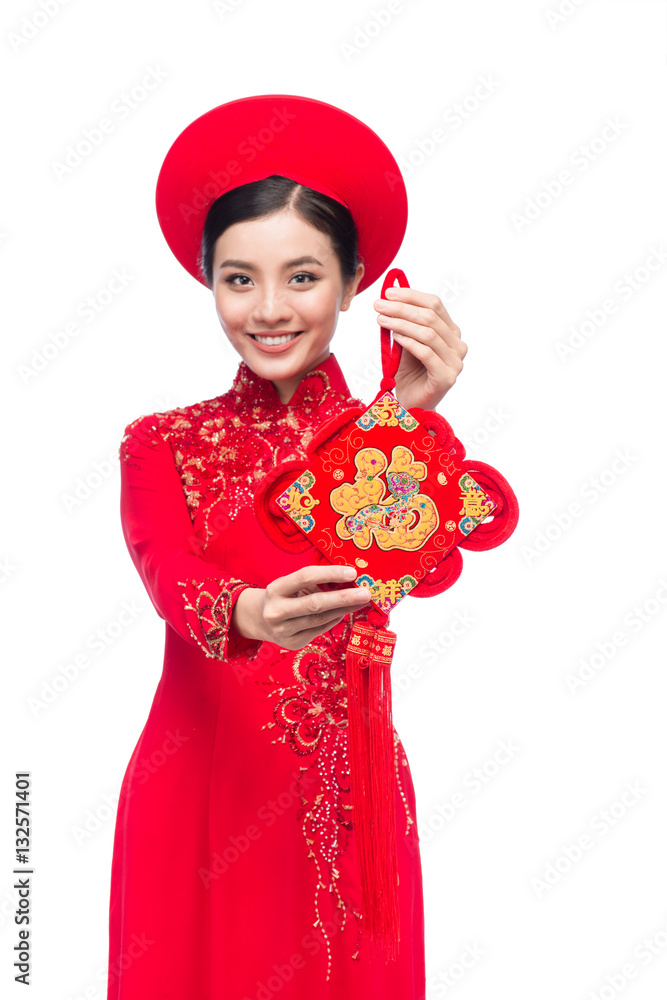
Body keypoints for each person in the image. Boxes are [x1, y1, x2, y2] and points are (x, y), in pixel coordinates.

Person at [107, 94, 467, 999]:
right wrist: (254, 612)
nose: (268, 310)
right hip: (195, 793)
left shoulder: (389, 439)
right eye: (239, 279)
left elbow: (398, 544)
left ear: (353, 283)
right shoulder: (161, 442)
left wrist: (407, 416)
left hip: (350, 800)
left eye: (302, 277)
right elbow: (172, 577)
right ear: (210, 283)